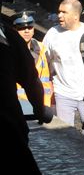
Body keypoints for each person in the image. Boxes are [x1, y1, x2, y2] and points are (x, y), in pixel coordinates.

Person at [1, 16, 53, 174]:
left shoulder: (39, 47)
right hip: (7, 129)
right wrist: (40, 109)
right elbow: (31, 80)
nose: (26, 31)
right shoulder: (7, 36)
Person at [41, 0, 84, 130]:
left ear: (76, 15)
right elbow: (45, 61)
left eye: (64, 12)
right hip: (63, 93)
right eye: (59, 12)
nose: (59, 16)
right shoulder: (52, 34)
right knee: (64, 134)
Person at [13, 11, 53, 110]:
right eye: (22, 28)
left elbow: (49, 78)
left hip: (42, 104)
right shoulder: (7, 50)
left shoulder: (42, 48)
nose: (26, 31)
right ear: (14, 30)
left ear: (34, 29)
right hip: (18, 106)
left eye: (29, 27)